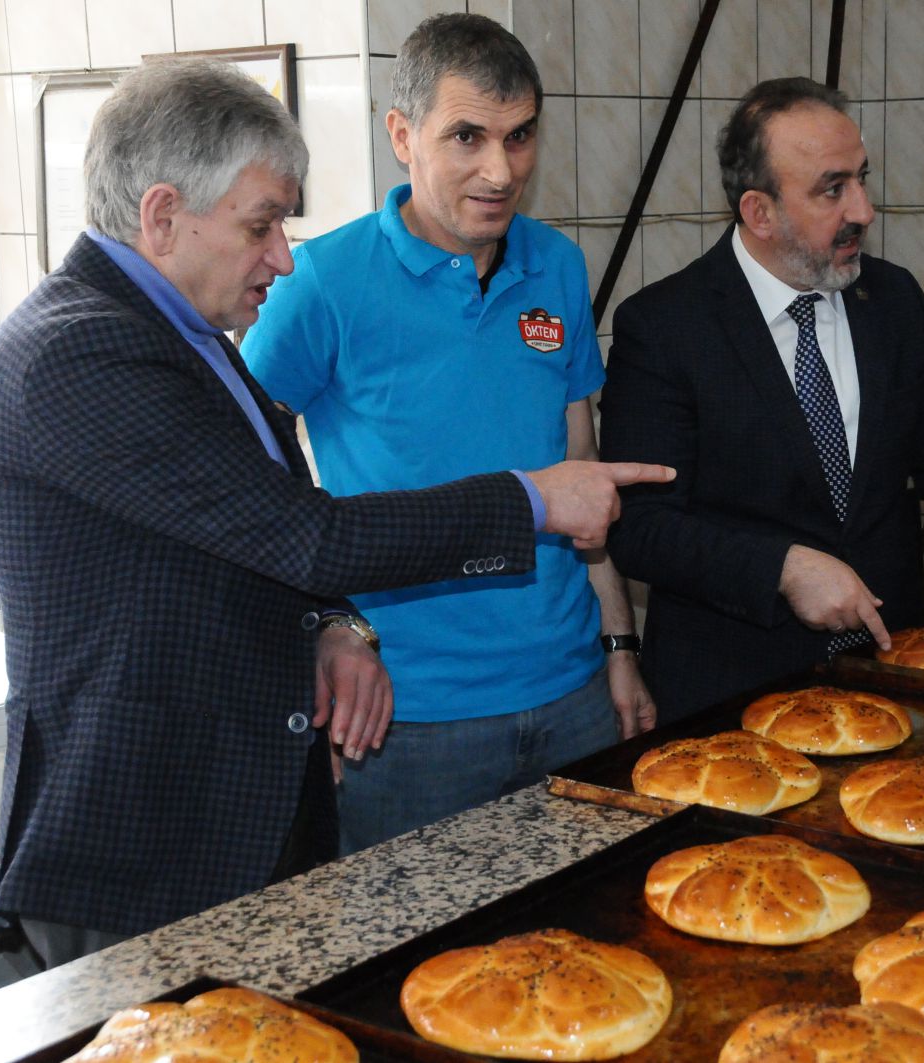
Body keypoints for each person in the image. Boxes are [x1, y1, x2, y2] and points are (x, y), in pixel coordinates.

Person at [0, 56, 669, 967]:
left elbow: (264, 517)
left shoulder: (180, 332)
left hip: (233, 813)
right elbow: (311, 535)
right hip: (146, 838)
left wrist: (335, 627)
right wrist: (531, 497)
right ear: (163, 216)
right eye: (261, 225)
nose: (282, 256)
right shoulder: (80, 354)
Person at [243, 14, 657, 854]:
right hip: (404, 718)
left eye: (519, 136)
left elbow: (582, 475)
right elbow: (247, 492)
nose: (500, 171)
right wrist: (322, 637)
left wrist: (619, 646)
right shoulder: (321, 281)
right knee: (411, 938)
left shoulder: (556, 266)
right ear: (402, 135)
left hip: (572, 691)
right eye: (467, 136)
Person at [599, 77, 924, 724]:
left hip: (887, 676)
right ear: (759, 212)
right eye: (833, 189)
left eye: (862, 179)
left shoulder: (893, 300)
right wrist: (782, 568)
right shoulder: (665, 326)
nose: (864, 210)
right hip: (736, 694)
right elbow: (641, 527)